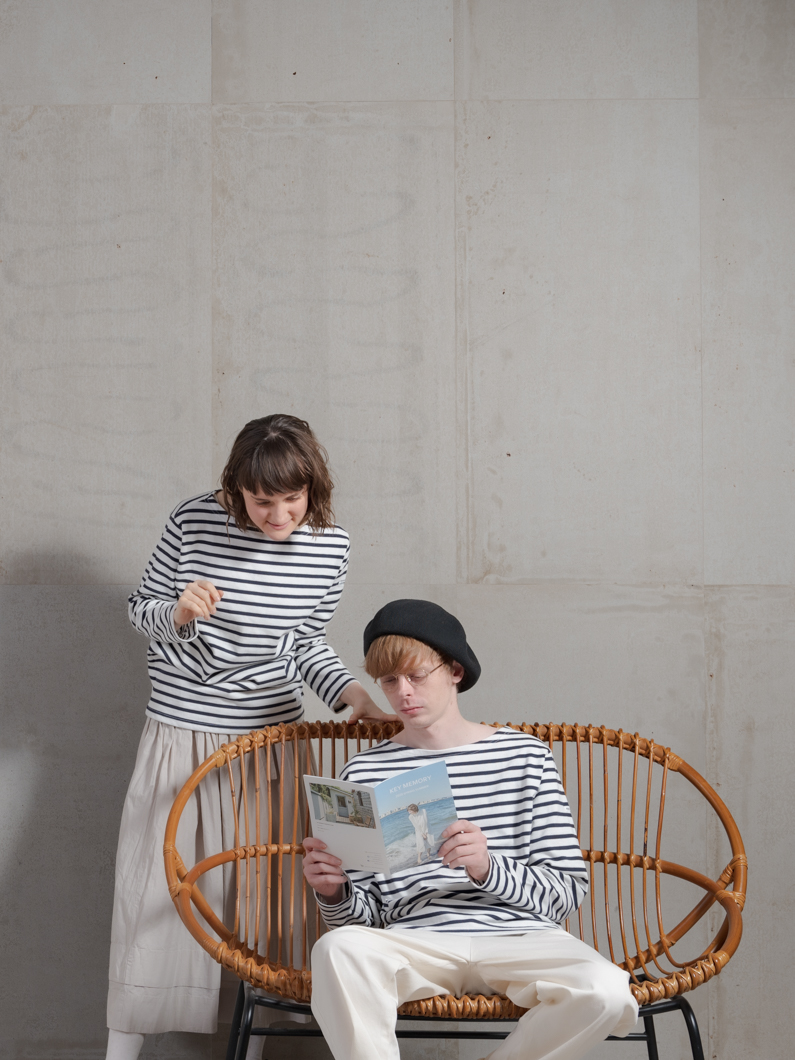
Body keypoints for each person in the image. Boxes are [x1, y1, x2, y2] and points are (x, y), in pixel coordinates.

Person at [106, 415, 390, 1060]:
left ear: (313, 489)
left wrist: (352, 696)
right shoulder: (193, 520)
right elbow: (141, 609)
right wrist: (178, 612)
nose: (278, 515)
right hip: (183, 729)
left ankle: (252, 1048)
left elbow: (305, 643)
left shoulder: (330, 545)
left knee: (271, 893)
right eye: (262, 501)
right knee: (155, 892)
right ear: (236, 488)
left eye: (293, 500)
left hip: (271, 741)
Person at [303, 599, 638, 1060]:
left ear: (455, 671)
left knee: (607, 991)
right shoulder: (364, 772)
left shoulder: (525, 757)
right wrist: (334, 893)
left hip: (521, 938)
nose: (403, 693)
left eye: (416, 675)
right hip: (413, 939)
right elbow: (367, 920)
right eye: (389, 681)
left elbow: (566, 892)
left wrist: (487, 868)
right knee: (336, 950)